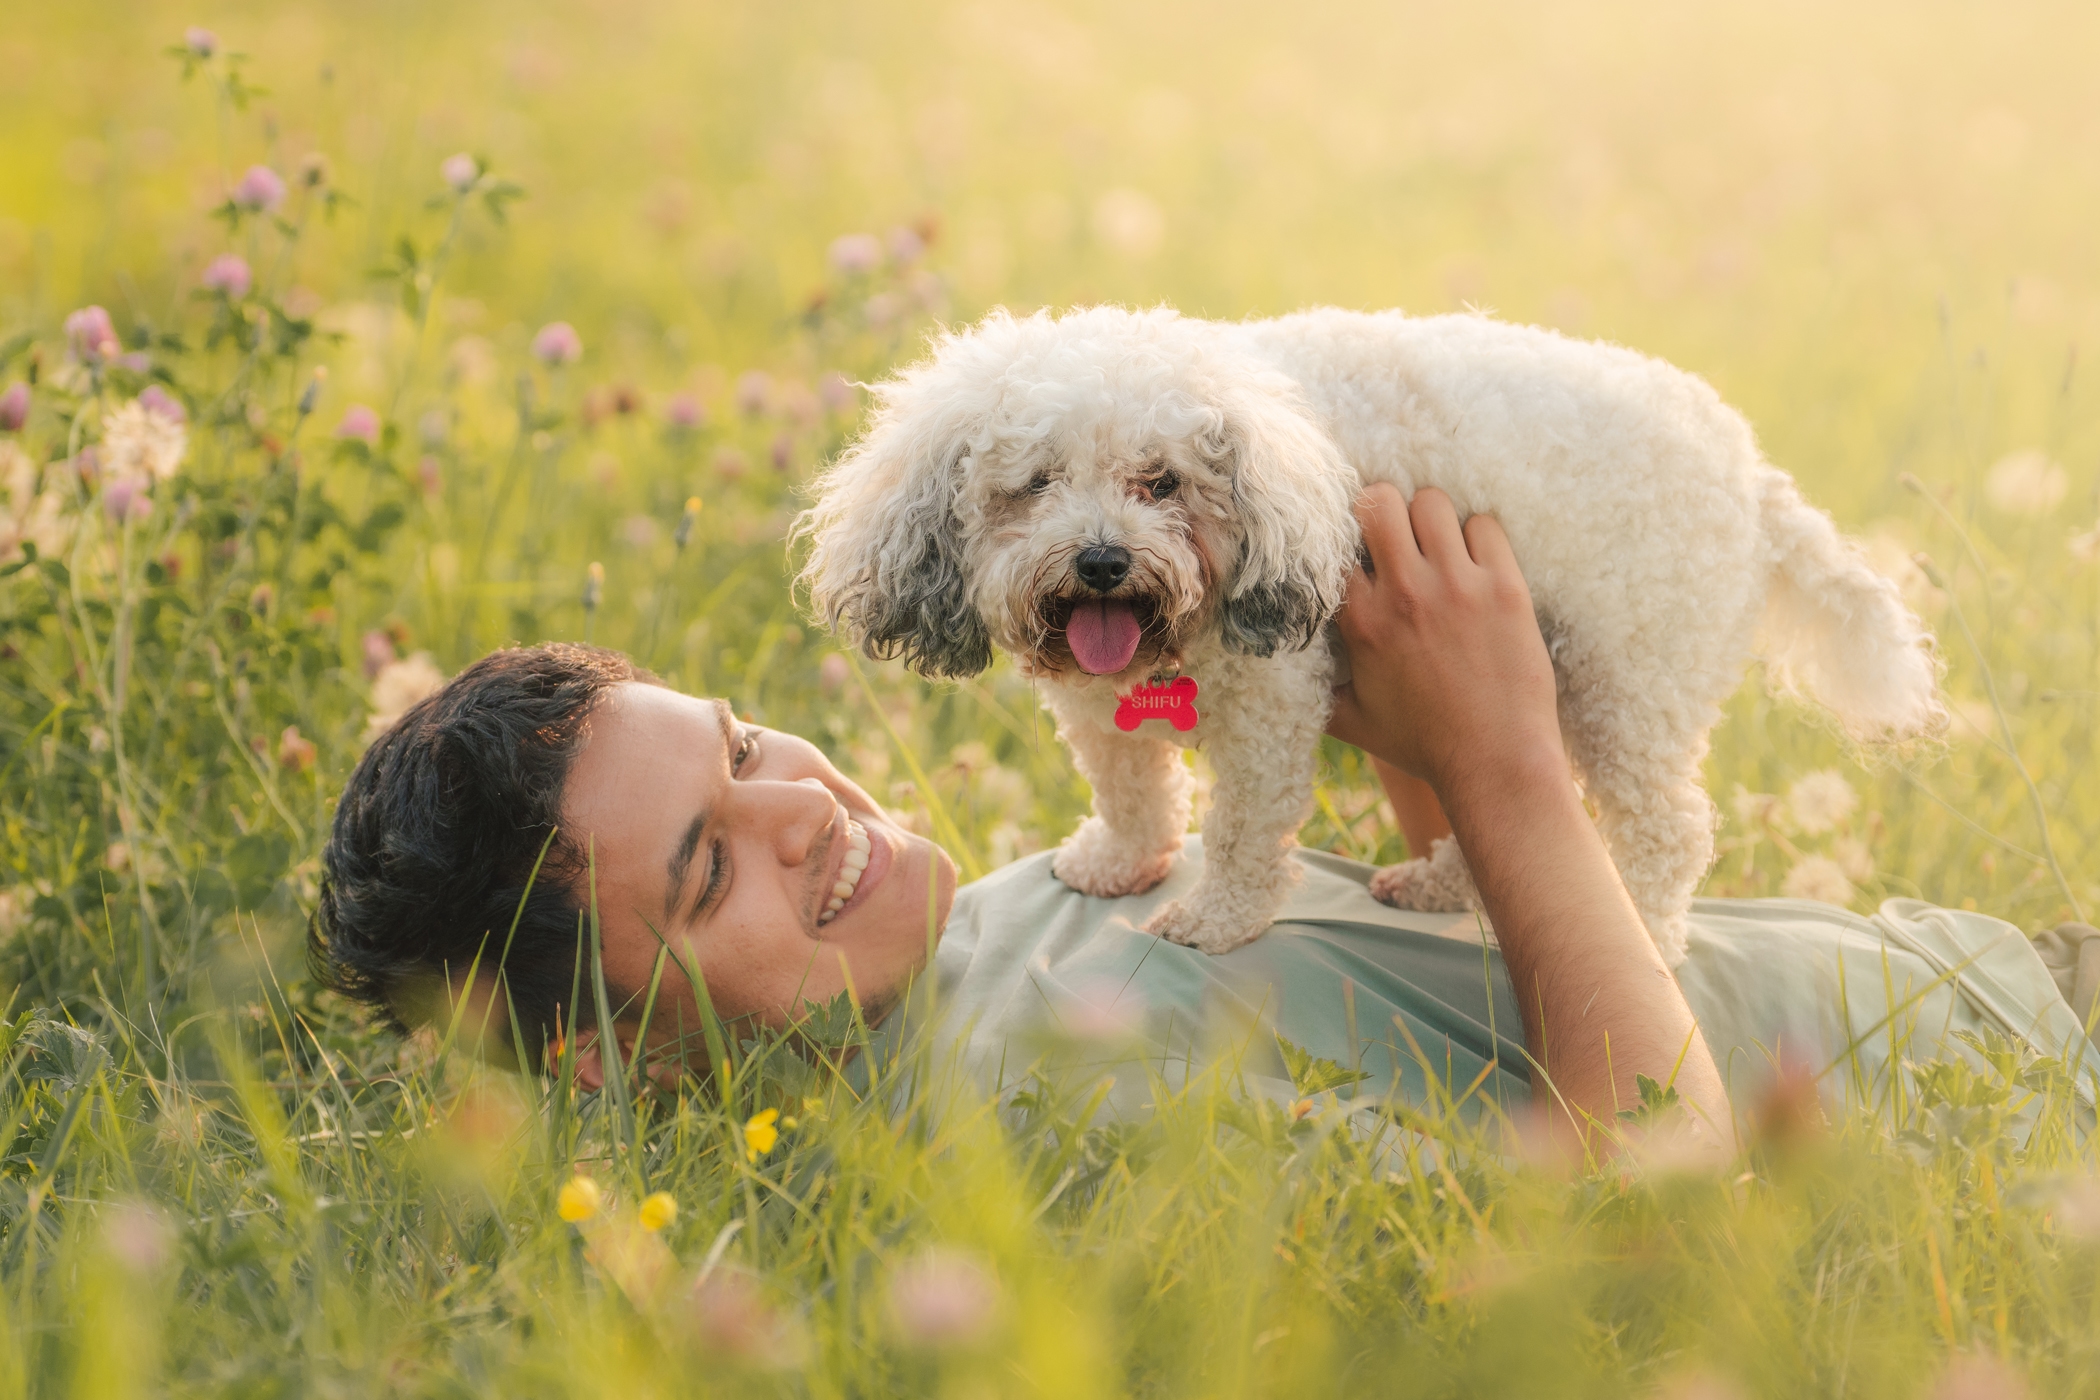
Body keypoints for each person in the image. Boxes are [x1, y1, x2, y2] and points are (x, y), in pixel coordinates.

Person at [310, 488, 2097, 1155]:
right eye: (709, 870)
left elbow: (1441, 993)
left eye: (750, 745)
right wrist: (1509, 770)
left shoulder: (1000, 934)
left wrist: (1408, 716)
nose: (803, 812)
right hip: (2022, 1093)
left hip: (1985, 974)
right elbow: (1656, 1178)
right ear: (609, 1064)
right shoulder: (1048, 1100)